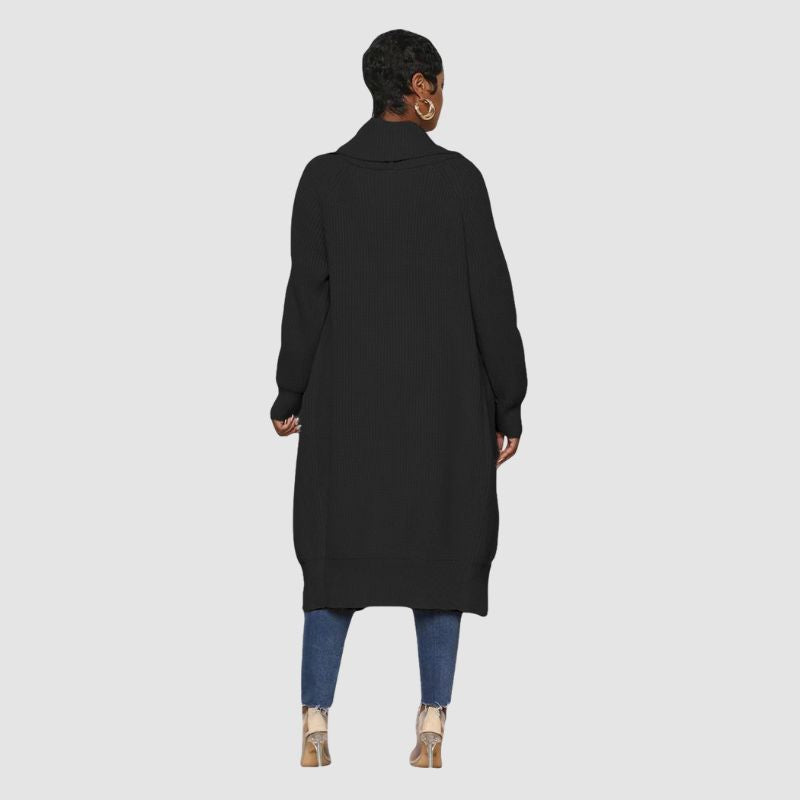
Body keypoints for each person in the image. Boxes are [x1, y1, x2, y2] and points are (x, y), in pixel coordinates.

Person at [270, 29, 527, 768]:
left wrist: (290, 391)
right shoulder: (458, 181)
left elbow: (306, 299)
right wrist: (508, 401)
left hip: (346, 413)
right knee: (441, 555)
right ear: (419, 86)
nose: (443, 98)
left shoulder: (322, 179)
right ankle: (432, 726)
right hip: (444, 412)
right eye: (439, 84)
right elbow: (492, 301)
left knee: (336, 560)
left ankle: (315, 725)